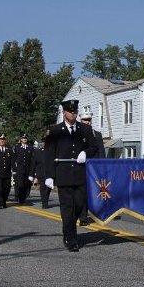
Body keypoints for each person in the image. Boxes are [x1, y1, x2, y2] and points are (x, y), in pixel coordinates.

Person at [44, 100, 98, 252]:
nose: (72, 114)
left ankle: (68, 229)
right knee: (67, 209)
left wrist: (85, 153)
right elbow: (48, 154)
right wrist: (49, 175)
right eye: (70, 111)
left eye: (75, 112)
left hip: (80, 175)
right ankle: (71, 239)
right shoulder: (55, 131)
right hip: (63, 175)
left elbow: (94, 146)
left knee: (79, 206)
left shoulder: (84, 129)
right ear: (64, 113)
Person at [77, 111, 105, 225]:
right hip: (82, 167)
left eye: (89, 120)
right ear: (81, 120)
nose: (87, 122)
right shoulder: (76, 134)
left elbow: (101, 152)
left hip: (95, 168)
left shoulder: (97, 134)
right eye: (85, 120)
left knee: (95, 192)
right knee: (83, 193)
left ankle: (97, 215)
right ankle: (83, 217)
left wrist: (103, 167)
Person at [30, 137, 51, 209]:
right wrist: (32, 175)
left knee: (48, 188)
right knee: (43, 188)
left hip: (49, 173)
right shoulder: (37, 152)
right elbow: (34, 164)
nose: (44, 144)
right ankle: (44, 203)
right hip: (40, 173)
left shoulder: (51, 151)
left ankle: (46, 200)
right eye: (43, 142)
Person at [13, 134, 33, 204]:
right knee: (20, 184)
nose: (24, 139)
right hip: (19, 169)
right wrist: (14, 169)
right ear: (21, 139)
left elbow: (32, 159)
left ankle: (23, 198)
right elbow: (14, 159)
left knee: (26, 184)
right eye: (23, 138)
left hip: (27, 169)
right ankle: (20, 198)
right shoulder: (17, 147)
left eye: (25, 138)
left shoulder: (30, 148)